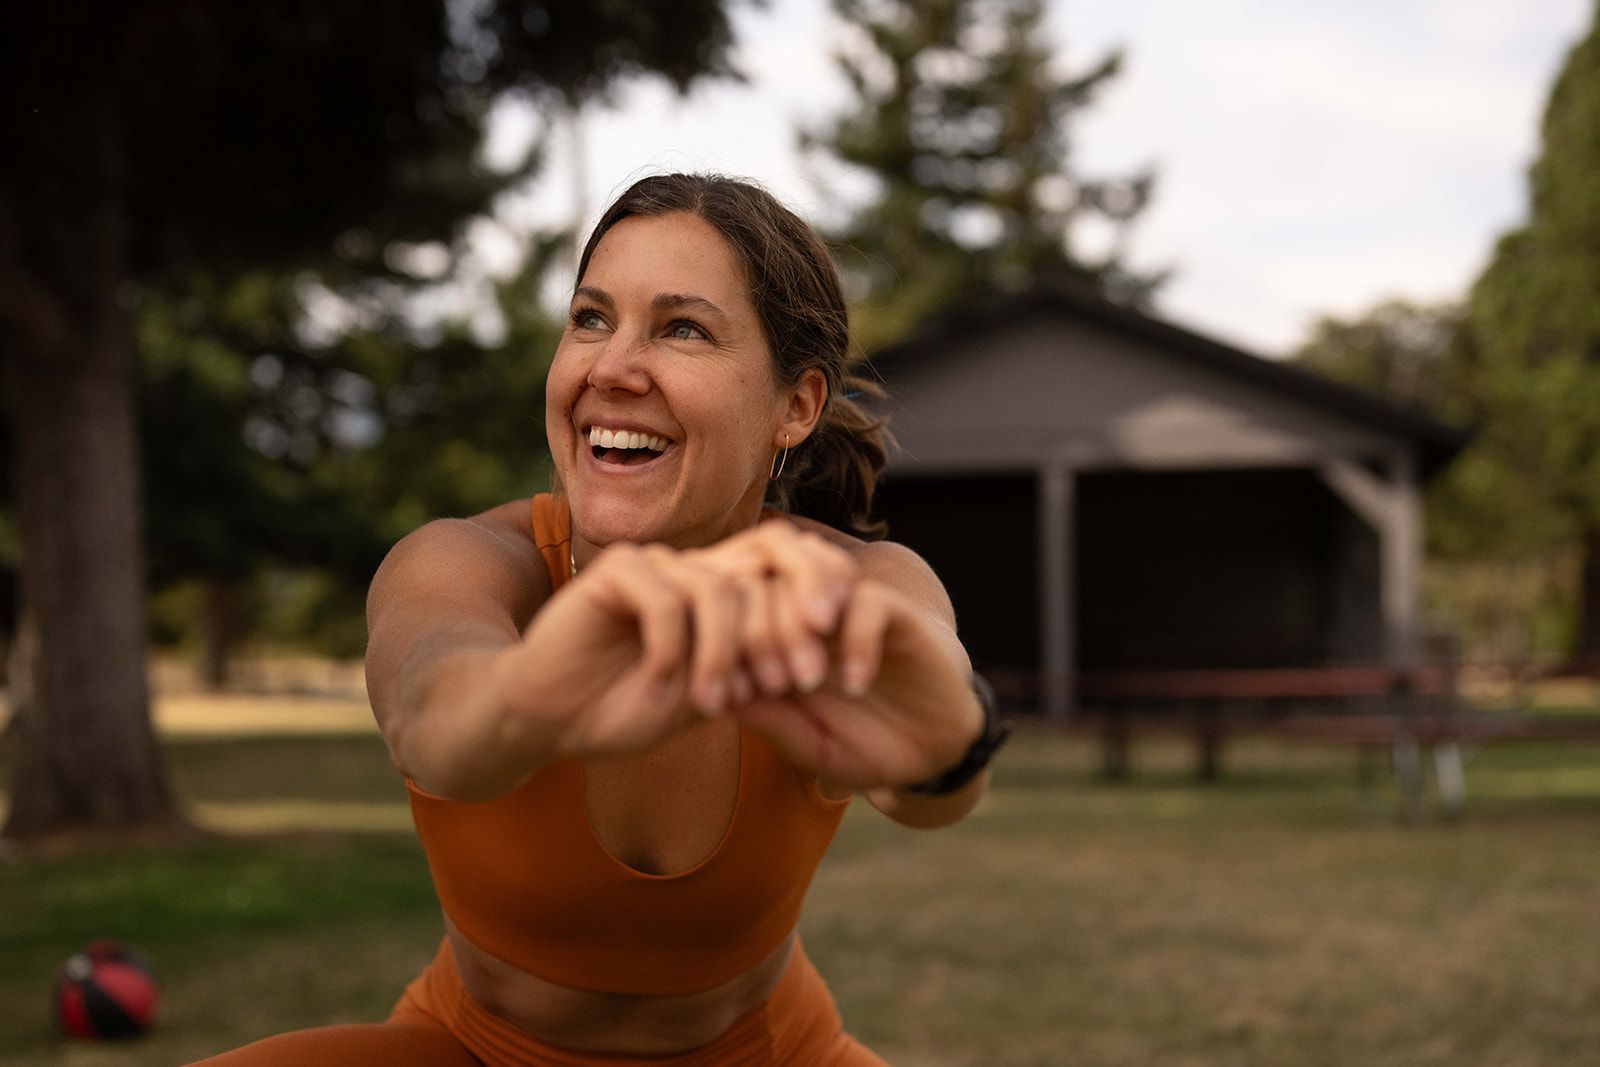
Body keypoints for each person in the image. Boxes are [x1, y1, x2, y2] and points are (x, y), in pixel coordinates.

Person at [196, 173, 1009, 1066]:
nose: (611, 368)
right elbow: (431, 711)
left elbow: (929, 769)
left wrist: (945, 742)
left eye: (682, 328)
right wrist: (534, 694)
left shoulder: (856, 588)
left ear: (796, 405)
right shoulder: (466, 562)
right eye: (590, 318)